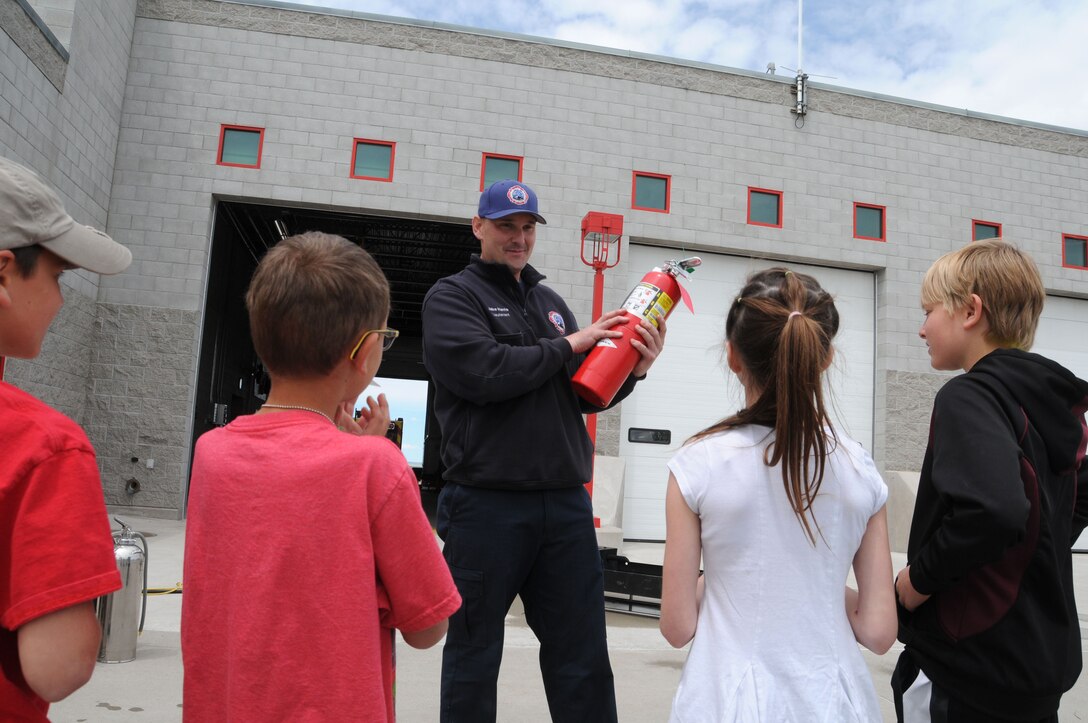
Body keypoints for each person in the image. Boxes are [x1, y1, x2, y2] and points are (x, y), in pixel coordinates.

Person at [181, 231, 461, 722]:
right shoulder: (376, 465)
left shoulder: (212, 453)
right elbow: (428, 627)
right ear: (364, 352)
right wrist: (372, 453)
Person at [421, 179, 666, 722]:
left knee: (581, 653)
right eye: (507, 226)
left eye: (528, 227)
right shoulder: (452, 297)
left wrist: (635, 370)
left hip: (564, 507)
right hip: (486, 506)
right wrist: (569, 345)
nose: (519, 237)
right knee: (474, 650)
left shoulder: (549, 302)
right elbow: (483, 371)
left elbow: (580, 389)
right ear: (478, 226)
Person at [660, 267, 897, 722]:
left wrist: (730, 577)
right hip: (834, 701)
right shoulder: (860, 469)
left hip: (724, 699)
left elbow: (677, 626)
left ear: (733, 356)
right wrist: (818, 585)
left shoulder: (698, 464)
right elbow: (878, 631)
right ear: (824, 358)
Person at [892, 239, 1088, 723]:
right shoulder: (1054, 402)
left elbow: (994, 510)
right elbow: (1077, 502)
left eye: (929, 311)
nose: (922, 329)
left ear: (970, 311)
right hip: (1039, 666)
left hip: (969, 668)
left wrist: (914, 584)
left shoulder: (970, 396)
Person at [0, 156, 133, 721]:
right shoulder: (44, 446)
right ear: (4, 272)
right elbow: (59, 666)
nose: (59, 299)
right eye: (56, 277)